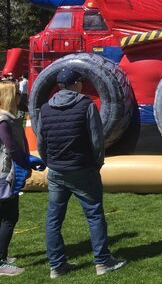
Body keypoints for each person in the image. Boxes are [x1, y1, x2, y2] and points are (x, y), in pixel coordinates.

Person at [36, 68, 127, 278]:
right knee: (94, 215)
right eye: (80, 82)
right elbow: (97, 140)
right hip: (82, 169)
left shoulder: (45, 108)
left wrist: (50, 161)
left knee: (53, 219)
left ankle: (57, 266)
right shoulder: (85, 105)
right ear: (76, 84)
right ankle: (102, 262)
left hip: (57, 170)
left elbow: (41, 142)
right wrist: (98, 163)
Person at [0, 81, 32, 276]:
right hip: (4, 175)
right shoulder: (4, 121)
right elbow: (11, 148)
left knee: (4, 216)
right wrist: (27, 163)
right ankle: (1, 261)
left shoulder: (8, 118)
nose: (20, 97)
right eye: (17, 94)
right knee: (9, 217)